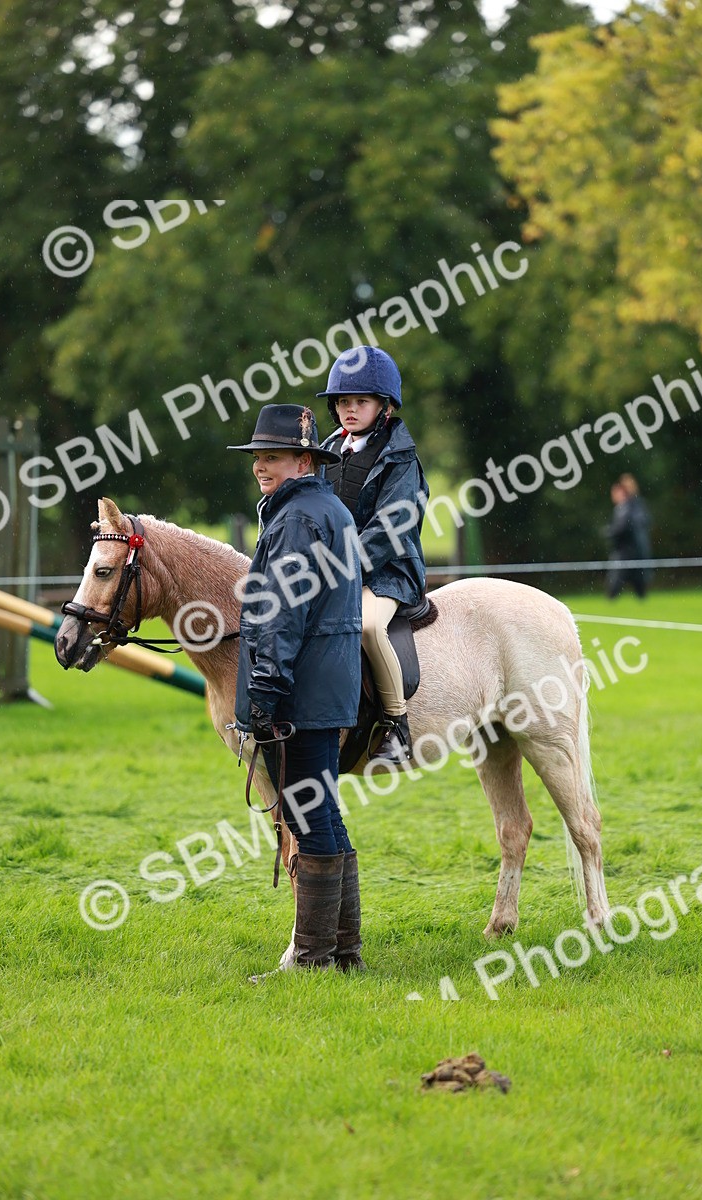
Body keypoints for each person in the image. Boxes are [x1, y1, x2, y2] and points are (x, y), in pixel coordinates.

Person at [228, 403, 365, 974]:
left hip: (302, 692)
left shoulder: (296, 518)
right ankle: (342, 953)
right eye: (258, 457)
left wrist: (264, 690)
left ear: (304, 460)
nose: (262, 467)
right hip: (323, 685)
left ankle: (313, 960)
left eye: (274, 458)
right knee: (324, 815)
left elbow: (282, 613)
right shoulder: (322, 508)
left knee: (311, 820)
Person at [317, 345, 429, 766]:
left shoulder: (402, 460)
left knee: (364, 627)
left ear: (384, 405)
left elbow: (390, 529)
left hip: (387, 572)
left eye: (360, 401)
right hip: (328, 570)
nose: (349, 409)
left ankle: (396, 725)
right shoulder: (324, 452)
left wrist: (340, 568)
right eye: (343, 401)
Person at [604, 474, 652, 599]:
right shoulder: (629, 507)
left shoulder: (630, 507)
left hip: (628, 550)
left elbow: (624, 527)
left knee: (621, 580)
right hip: (632, 549)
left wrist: (610, 532)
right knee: (634, 579)